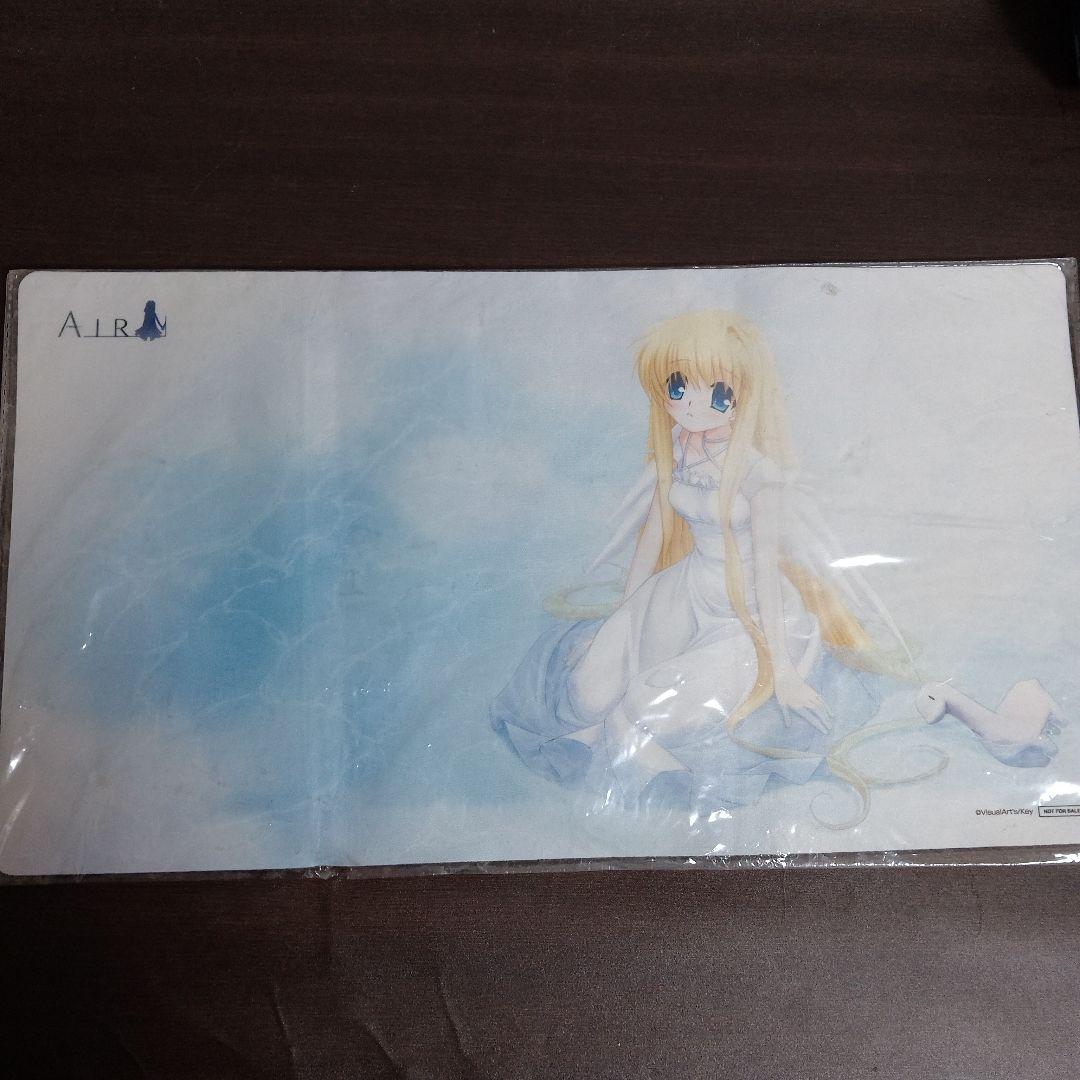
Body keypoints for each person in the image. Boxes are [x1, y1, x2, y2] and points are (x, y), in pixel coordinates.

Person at [492, 310, 1060, 826]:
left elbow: (764, 569)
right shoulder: (677, 447)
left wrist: (782, 670)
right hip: (683, 590)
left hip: (750, 610)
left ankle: (1005, 708)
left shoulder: (757, 473)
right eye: (677, 387)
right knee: (588, 697)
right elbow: (655, 534)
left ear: (744, 394)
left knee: (644, 712)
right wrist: (626, 612)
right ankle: (618, 723)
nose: (691, 405)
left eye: (718, 393)